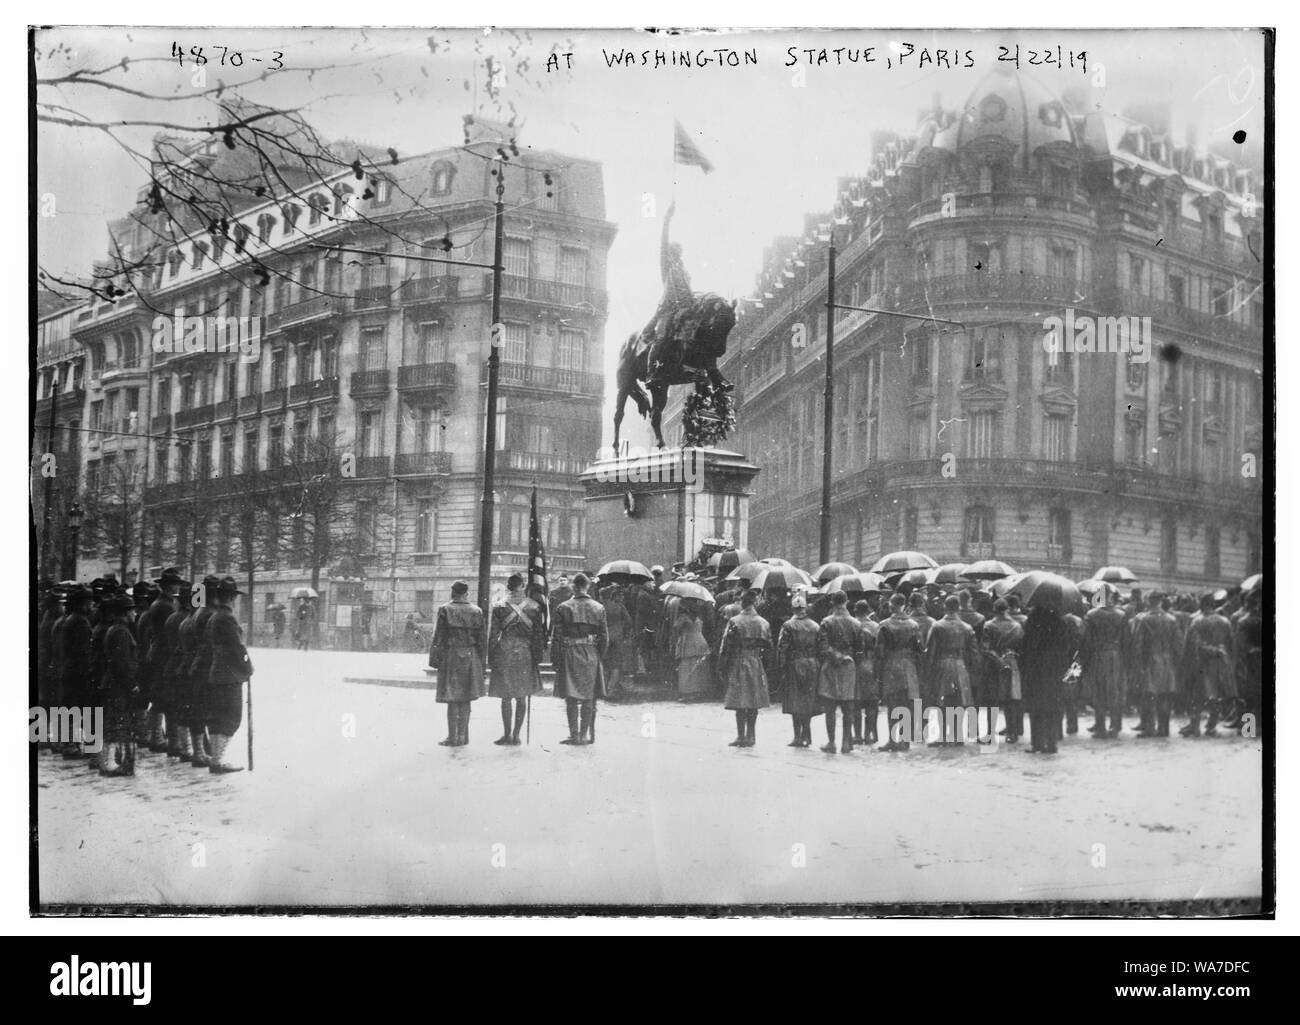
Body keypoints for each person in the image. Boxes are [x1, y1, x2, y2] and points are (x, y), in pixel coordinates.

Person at [488, 574, 546, 746]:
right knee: (521, 695)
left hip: (504, 652)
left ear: (508, 586)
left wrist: (491, 657)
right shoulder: (535, 606)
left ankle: (506, 735)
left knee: (506, 696)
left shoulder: (499, 606)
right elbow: (538, 636)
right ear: (522, 586)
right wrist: (537, 657)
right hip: (525, 653)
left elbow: (493, 636)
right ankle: (516, 735)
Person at [552, 573, 608, 745]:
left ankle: (574, 734)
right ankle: (584, 735)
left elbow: (557, 637)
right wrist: (599, 656)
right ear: (588, 586)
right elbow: (604, 637)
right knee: (589, 696)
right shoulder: (599, 608)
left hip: (570, 653)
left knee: (571, 695)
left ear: (574, 587)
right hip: (591, 653)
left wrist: (556, 658)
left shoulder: (563, 607)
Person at [430, 581, 487, 747]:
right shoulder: (477, 611)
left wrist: (435, 659)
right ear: (466, 593)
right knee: (466, 698)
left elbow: (438, 637)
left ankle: (452, 737)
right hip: (471, 656)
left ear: (453, 593)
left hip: (451, 656)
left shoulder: (445, 609)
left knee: (452, 697)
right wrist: (482, 662)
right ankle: (463, 736)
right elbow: (482, 640)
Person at [206, 577, 252, 773]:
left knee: (217, 717)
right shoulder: (228, 618)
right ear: (233, 597)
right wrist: (248, 666)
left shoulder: (213, 617)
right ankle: (217, 760)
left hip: (216, 672)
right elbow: (237, 646)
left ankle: (215, 759)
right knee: (231, 717)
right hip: (230, 675)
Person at [645, 201, 694, 385]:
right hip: (668, 310)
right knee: (662, 337)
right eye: (675, 252)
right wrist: (667, 219)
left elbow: (688, 292)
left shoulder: (684, 273)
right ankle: (651, 372)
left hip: (683, 310)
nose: (678, 256)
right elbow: (663, 242)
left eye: (680, 253)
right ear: (671, 253)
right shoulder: (667, 268)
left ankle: (683, 365)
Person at [719, 590, 771, 748]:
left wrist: (722, 665)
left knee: (740, 699)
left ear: (742, 602)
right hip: (756, 662)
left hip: (739, 661)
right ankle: (752, 735)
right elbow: (769, 645)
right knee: (754, 700)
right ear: (754, 602)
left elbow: (726, 645)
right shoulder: (763, 622)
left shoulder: (734, 621)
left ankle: (741, 736)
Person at [1020, 605, 1073, 754]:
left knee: (1036, 709)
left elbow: (1026, 646)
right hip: (1054, 671)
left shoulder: (1033, 619)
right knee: (1053, 708)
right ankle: (1052, 743)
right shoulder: (1060, 621)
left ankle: (1037, 744)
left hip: (1036, 670)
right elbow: (1066, 647)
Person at [97, 591, 139, 777]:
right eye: (132, 611)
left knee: (114, 723)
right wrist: (131, 685)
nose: (135, 614)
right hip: (118, 686)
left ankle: (108, 761)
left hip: (113, 683)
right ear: (125, 612)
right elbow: (121, 663)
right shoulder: (121, 632)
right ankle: (108, 763)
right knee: (115, 724)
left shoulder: (115, 629)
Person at [1181, 595, 1235, 737]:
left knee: (1197, 696)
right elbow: (1231, 643)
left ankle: (1195, 725)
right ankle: (1211, 726)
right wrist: (1221, 653)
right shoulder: (1225, 621)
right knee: (1215, 695)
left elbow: (1194, 644)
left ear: (1202, 604)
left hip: (1202, 662)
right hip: (1221, 661)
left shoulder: (1197, 621)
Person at [927, 595, 978, 744]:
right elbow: (974, 653)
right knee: (959, 700)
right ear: (959, 608)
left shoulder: (937, 626)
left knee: (943, 700)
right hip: (960, 665)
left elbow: (931, 651)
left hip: (942, 664)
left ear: (945, 607)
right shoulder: (967, 627)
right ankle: (957, 736)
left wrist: (929, 671)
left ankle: (943, 735)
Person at [877, 593, 923, 751]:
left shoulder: (884, 624)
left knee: (892, 704)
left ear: (891, 605)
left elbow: (880, 652)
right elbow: (919, 649)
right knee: (907, 704)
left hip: (891, 666)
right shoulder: (914, 625)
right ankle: (905, 740)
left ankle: (892, 739)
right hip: (909, 667)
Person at [817, 591, 861, 754]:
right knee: (848, 706)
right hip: (849, 666)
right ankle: (846, 742)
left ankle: (831, 742)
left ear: (832, 603)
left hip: (831, 666)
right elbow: (860, 649)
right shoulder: (856, 623)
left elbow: (822, 646)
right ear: (847, 602)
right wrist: (848, 658)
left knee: (830, 707)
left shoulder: (826, 622)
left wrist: (836, 656)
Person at [1133, 592, 1183, 738]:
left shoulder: (1143, 619)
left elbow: (1138, 644)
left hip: (1150, 661)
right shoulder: (1172, 619)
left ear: (1149, 601)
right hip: (1167, 662)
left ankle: (1150, 728)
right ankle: (1164, 728)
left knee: (1149, 695)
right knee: (1165, 695)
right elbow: (1178, 644)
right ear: (1160, 601)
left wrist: (1138, 664)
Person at [54, 585, 94, 758]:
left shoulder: (69, 619)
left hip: (69, 669)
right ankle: (71, 746)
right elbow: (83, 650)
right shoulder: (80, 621)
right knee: (77, 707)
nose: (91, 604)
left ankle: (70, 744)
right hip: (78, 672)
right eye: (88, 601)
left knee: (70, 707)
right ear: (82, 603)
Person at [185, 576, 221, 767]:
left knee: (199, 709)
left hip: (198, 665)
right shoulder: (209, 614)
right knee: (202, 710)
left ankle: (201, 751)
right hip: (206, 666)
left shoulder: (200, 611)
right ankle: (200, 753)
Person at [1082, 588, 1127, 739]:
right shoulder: (1121, 615)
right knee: (1114, 691)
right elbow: (1126, 640)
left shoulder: (1092, 615)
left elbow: (1086, 640)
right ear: (1112, 597)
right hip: (1116, 656)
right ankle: (1114, 727)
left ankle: (1100, 727)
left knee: (1099, 690)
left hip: (1098, 655)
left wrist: (1086, 659)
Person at [777, 594, 821, 747]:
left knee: (795, 700)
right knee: (808, 699)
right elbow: (821, 648)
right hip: (812, 664)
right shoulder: (815, 626)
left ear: (793, 608)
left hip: (794, 664)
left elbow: (782, 648)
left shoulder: (788, 625)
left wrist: (781, 667)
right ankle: (807, 735)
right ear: (805, 608)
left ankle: (797, 736)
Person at [159, 580, 194, 759]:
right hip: (184, 667)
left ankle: (173, 744)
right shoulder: (190, 620)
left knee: (171, 708)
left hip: (170, 665)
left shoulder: (171, 618)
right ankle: (184, 746)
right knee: (185, 707)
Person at [983, 599, 1025, 742]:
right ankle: (1012, 734)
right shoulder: (1017, 626)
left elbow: (986, 649)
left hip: (993, 665)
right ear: (1007, 609)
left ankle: (989, 734)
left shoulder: (989, 625)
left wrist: (998, 660)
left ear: (994, 609)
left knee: (992, 700)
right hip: (1012, 663)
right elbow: (1021, 648)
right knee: (1011, 699)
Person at [673, 597, 713, 700]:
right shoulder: (699, 616)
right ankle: (699, 690)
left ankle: (687, 691)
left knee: (686, 668)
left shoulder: (683, 617)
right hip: (700, 640)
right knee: (698, 667)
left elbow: (676, 628)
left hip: (688, 641)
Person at [853, 599, 881, 746]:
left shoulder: (852, 625)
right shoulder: (876, 626)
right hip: (871, 665)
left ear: (856, 611)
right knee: (872, 702)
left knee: (856, 702)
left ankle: (857, 735)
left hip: (856, 665)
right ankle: (869, 734)